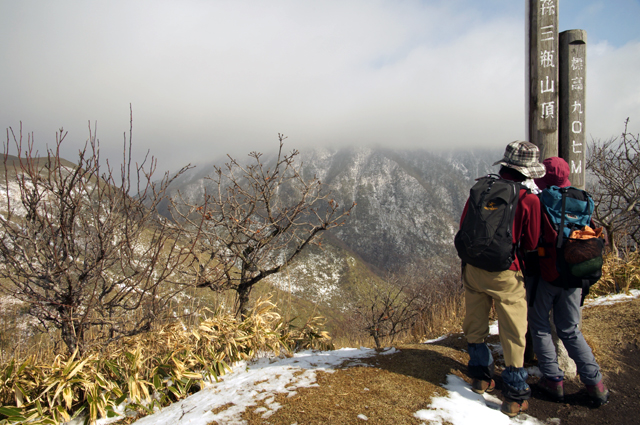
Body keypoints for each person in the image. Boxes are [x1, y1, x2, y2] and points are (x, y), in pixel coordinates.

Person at [459, 140, 544, 417]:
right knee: (513, 330)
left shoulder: (480, 189)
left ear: (506, 165)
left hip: (473, 267)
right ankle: (514, 395)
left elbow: (463, 227)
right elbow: (530, 242)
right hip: (506, 272)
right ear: (528, 171)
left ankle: (481, 376)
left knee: (475, 321)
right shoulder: (528, 199)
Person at [529, 156, 610, 406]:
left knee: (540, 323)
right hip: (577, 274)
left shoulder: (542, 200)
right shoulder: (583, 198)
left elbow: (533, 237)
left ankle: (553, 379)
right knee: (570, 329)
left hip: (550, 273)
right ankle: (595, 382)